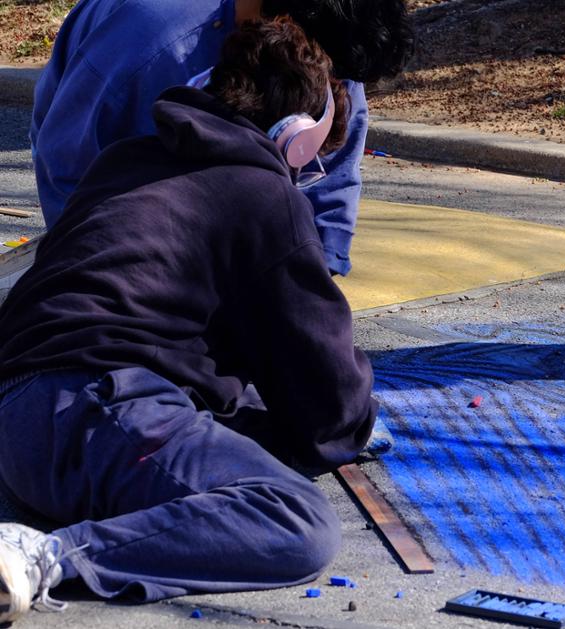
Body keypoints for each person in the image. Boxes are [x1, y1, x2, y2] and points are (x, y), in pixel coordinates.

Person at [0, 18, 381, 623]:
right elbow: (331, 410)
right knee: (294, 519)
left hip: (20, 412)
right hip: (92, 410)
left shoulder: (129, 159)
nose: (306, 181)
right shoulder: (263, 195)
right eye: (312, 166)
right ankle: (43, 559)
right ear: (298, 139)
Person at [31, 0, 413, 277]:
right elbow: (65, 164)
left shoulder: (324, 32)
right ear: (280, 24)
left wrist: (317, 271)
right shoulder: (150, 40)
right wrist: (100, 275)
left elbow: (333, 171)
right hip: (105, 143)